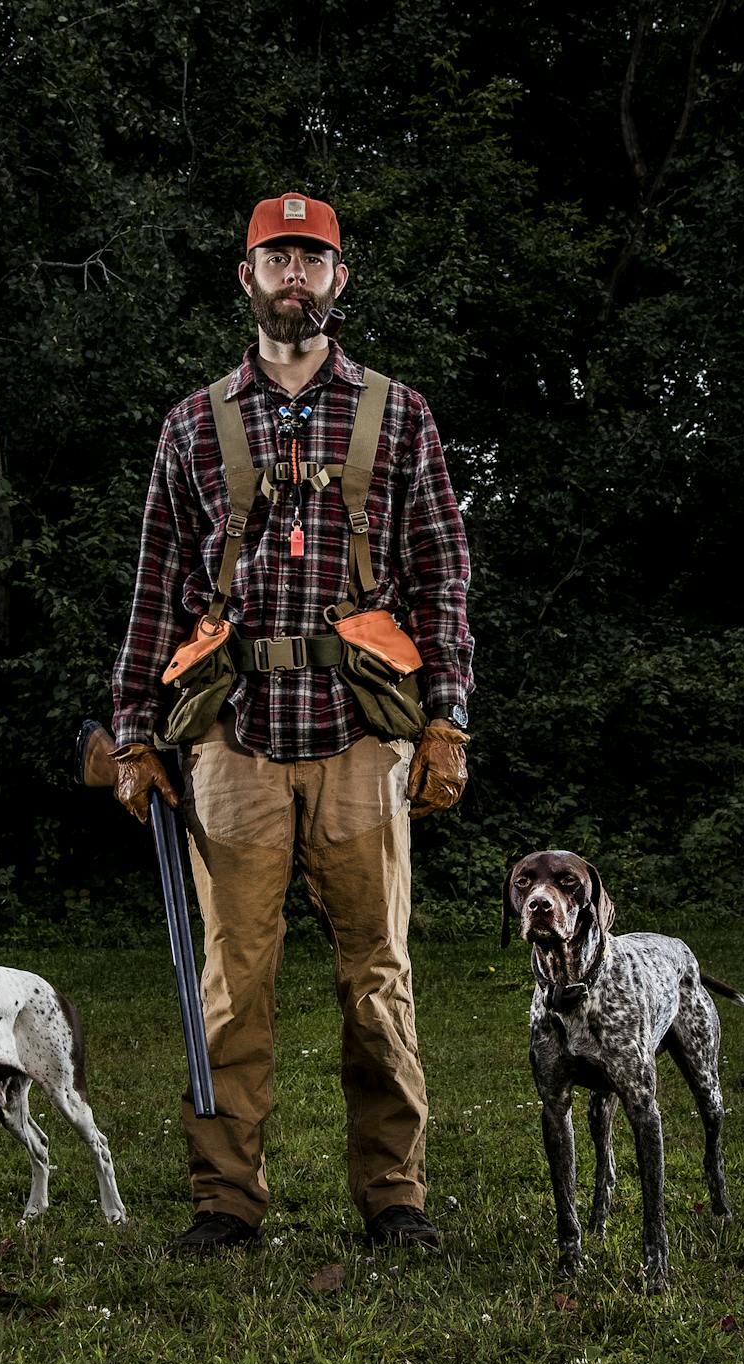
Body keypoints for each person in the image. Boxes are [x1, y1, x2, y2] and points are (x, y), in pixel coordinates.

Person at [109, 191, 474, 1253]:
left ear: (340, 282)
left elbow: (444, 578)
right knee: (231, 991)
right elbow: (156, 588)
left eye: (315, 260)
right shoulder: (192, 423)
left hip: (365, 740)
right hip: (232, 743)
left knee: (379, 983)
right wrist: (135, 731)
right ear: (248, 276)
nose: (297, 276)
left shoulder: (400, 415)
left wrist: (447, 720)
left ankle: (395, 1198)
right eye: (280, 257)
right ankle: (226, 1204)